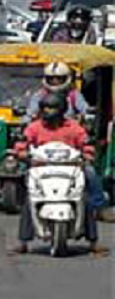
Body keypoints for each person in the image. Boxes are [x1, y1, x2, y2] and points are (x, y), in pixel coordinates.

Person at [11, 92, 106, 255]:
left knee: (86, 197)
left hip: (70, 167)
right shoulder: (34, 127)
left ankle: (93, 241)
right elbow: (22, 144)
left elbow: (86, 144)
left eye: (54, 107)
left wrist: (87, 154)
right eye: (47, 107)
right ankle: (23, 242)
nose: (50, 111)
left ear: (62, 109)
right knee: (30, 198)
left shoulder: (74, 127)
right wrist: (22, 154)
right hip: (42, 168)